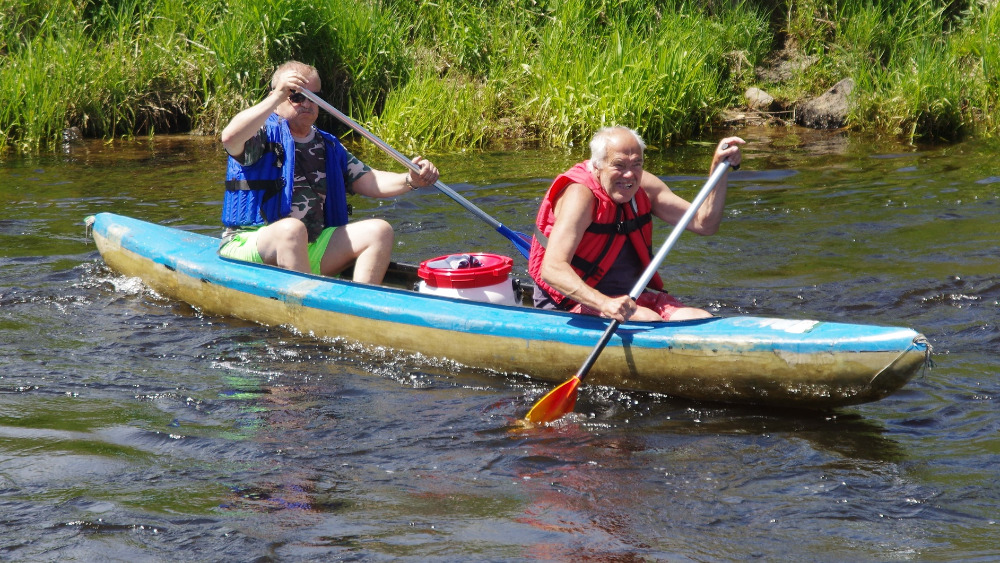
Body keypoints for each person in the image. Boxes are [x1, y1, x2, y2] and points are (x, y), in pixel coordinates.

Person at [218, 60, 439, 284]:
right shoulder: (257, 136)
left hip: (309, 248)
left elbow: (370, 179)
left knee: (380, 231)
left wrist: (410, 180)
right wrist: (277, 95)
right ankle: (306, 307)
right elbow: (229, 138)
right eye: (296, 95)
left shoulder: (328, 145)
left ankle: (358, 308)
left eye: (313, 97)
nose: (306, 103)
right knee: (292, 230)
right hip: (251, 247)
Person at [528, 126, 744, 322]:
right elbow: (552, 269)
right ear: (598, 165)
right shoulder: (580, 196)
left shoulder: (644, 187)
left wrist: (718, 170)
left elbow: (704, 224)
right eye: (619, 165)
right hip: (571, 303)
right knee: (648, 319)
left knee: (698, 318)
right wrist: (604, 303)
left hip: (631, 297)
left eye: (636, 164)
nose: (629, 174)